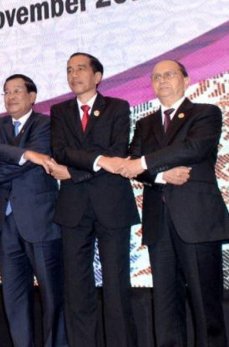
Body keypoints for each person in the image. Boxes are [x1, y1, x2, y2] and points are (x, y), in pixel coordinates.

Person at [118, 60, 229, 346]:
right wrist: (161, 175)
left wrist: (147, 163)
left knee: (205, 308)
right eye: (156, 77)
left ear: (185, 79)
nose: (162, 81)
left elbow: (194, 148)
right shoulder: (145, 123)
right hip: (160, 225)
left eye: (169, 75)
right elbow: (132, 164)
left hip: (198, 223)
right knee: (166, 307)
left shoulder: (206, 113)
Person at [0, 74, 67, 347]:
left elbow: (36, 158)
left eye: (17, 91)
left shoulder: (46, 123)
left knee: (52, 296)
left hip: (40, 220)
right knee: (14, 297)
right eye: (6, 91)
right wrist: (27, 154)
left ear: (32, 96)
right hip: (4, 223)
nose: (10, 96)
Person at [49, 53, 139, 347]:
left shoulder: (117, 107)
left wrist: (75, 172)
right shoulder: (60, 111)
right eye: (69, 70)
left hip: (112, 205)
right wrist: (99, 160)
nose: (73, 75)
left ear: (97, 76)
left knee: (116, 286)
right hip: (73, 209)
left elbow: (117, 150)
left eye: (80, 69)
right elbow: (60, 151)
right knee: (77, 289)